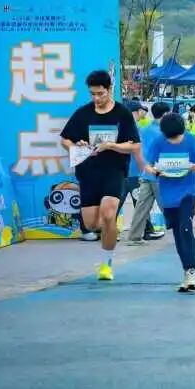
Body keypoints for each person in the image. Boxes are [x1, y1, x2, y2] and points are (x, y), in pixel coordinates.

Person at [59, 70, 140, 280]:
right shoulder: (83, 113)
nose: (96, 98)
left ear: (109, 90)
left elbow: (134, 145)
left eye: (100, 94)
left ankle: (106, 263)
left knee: (108, 214)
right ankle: (108, 229)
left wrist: (112, 145)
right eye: (93, 94)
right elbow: (65, 139)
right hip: (88, 171)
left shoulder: (122, 114)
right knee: (92, 224)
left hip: (114, 170)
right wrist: (76, 146)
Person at [144, 111, 195, 292]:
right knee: (178, 232)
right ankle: (187, 272)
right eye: (170, 139)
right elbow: (148, 165)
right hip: (168, 194)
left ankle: (192, 271)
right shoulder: (158, 142)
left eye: (177, 137)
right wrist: (154, 171)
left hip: (188, 191)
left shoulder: (191, 140)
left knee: (186, 227)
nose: (174, 141)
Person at [126, 101, 169, 244]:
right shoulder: (163, 133)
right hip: (158, 174)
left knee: (142, 207)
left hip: (145, 173)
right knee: (167, 204)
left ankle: (134, 236)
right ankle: (181, 232)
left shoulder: (145, 130)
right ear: (166, 114)